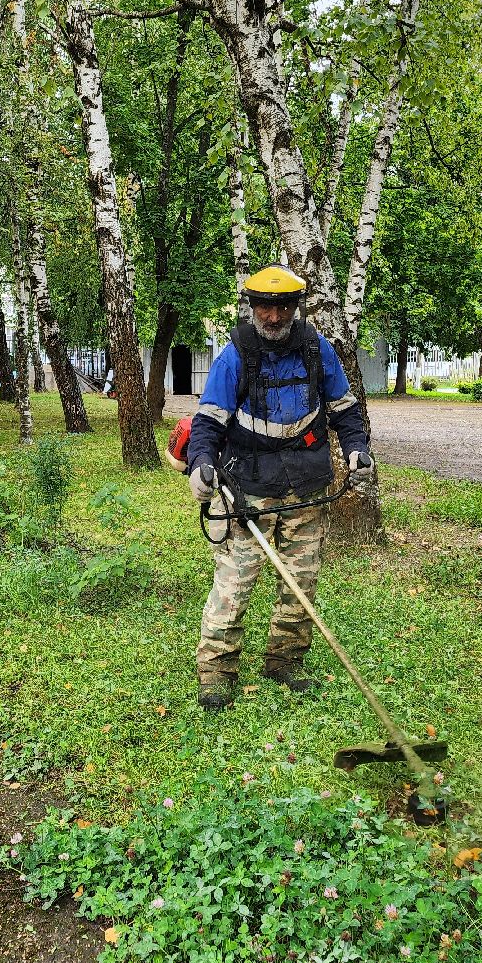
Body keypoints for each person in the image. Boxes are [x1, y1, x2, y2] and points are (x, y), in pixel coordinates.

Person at [186, 265, 373, 712]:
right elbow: (208, 421)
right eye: (265, 306)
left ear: (296, 307)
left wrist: (357, 449)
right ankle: (215, 673)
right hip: (247, 489)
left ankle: (284, 662)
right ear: (252, 307)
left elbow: (345, 410)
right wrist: (201, 464)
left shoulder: (316, 350)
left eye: (283, 306)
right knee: (235, 584)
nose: (274, 316)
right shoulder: (234, 356)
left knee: (301, 582)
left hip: (306, 484)